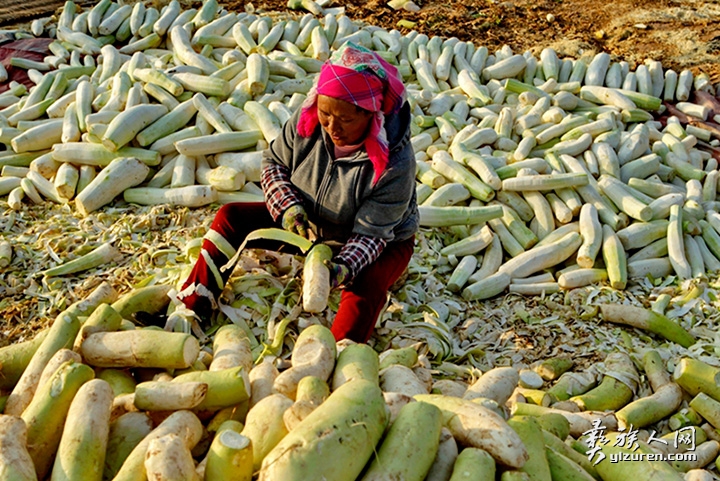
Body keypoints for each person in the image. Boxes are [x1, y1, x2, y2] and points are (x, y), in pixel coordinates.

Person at [176, 42, 418, 343]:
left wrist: (339, 270)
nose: (332, 127)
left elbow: (371, 234)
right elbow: (274, 164)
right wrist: (289, 208)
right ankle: (191, 308)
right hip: (308, 222)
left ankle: (338, 356)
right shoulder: (308, 124)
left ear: (372, 115)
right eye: (326, 113)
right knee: (231, 216)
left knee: (365, 286)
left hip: (381, 239)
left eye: (345, 119)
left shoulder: (396, 163)